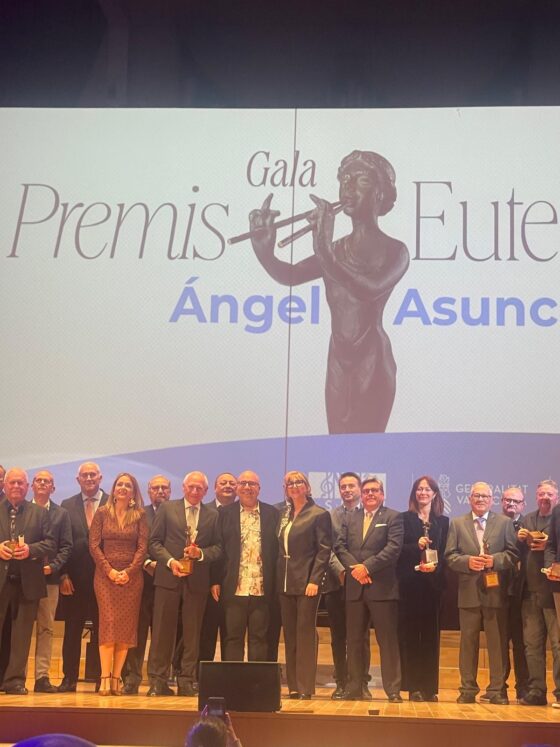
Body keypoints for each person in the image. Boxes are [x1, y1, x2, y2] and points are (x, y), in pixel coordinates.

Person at [249, 150, 409, 434]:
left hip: (372, 360)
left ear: (381, 193)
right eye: (344, 179)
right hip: (338, 361)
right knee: (336, 448)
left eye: (361, 180)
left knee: (368, 451)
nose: (348, 187)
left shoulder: (396, 251)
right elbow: (290, 275)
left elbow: (368, 290)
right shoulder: (335, 249)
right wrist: (265, 253)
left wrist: (323, 249)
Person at [147, 471, 221, 696]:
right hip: (168, 578)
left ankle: (186, 680)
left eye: (200, 488)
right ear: (184, 487)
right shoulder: (167, 508)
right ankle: (157, 681)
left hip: (197, 582)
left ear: (206, 491)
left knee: (192, 633)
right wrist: (170, 562)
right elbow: (154, 543)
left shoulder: (213, 515)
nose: (195, 491)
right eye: (191, 487)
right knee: (162, 631)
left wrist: (200, 554)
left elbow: (218, 548)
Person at [445, 481, 518, 704]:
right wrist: (467, 561)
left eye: (484, 496)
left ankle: (497, 690)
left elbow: (513, 554)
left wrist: (494, 560)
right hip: (468, 592)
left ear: (491, 500)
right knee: (468, 643)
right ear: (469, 499)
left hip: (495, 592)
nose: (480, 499)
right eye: (476, 496)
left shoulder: (504, 523)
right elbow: (450, 556)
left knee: (497, 643)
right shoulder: (457, 523)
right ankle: (467, 689)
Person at [336, 475, 404, 702]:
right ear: (361, 495)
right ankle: (354, 687)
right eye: (366, 491)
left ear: (382, 494)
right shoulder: (350, 517)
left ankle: (392, 690)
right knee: (354, 640)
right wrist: (356, 569)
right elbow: (340, 546)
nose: (370, 494)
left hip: (382, 588)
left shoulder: (393, 517)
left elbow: (393, 548)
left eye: (375, 490)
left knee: (387, 641)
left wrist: (367, 568)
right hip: (355, 587)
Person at [89, 472, 148, 695]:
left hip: (131, 579)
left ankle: (116, 678)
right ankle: (104, 677)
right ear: (114, 489)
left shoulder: (140, 515)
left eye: (128, 485)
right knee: (109, 624)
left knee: (125, 628)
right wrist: (110, 571)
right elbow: (94, 545)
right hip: (105, 577)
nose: (123, 488)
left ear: (133, 492)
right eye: (119, 484)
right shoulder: (102, 513)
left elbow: (142, 547)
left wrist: (129, 572)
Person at [0, 468, 55, 694]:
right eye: (12, 482)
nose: (16, 486)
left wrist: (30, 550)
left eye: (20, 483)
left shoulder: (40, 513)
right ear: (4, 485)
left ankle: (14, 681)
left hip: (27, 583)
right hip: (1, 581)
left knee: (21, 635)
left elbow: (51, 543)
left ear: (27, 487)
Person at [277, 470, 331, 699]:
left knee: (305, 634)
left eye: (298, 481)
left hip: (307, 583)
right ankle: (293, 686)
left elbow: (324, 550)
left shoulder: (319, 514)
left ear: (307, 487)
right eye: (289, 483)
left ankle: (306, 686)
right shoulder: (283, 513)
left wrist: (314, 580)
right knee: (290, 635)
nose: (294, 485)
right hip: (285, 582)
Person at [214, 471, 278, 661]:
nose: (247, 487)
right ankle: (233, 678)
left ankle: (256, 679)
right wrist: (215, 580)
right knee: (232, 638)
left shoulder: (272, 513)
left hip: (262, 588)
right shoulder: (224, 514)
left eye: (252, 484)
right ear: (237, 488)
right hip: (233, 587)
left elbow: (277, 552)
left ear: (259, 488)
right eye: (243, 483)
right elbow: (218, 549)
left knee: (260, 639)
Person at [57, 462, 108, 692]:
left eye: (93, 475)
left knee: (101, 630)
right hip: (74, 580)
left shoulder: (112, 503)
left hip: (104, 579)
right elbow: (61, 543)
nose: (89, 478)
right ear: (78, 480)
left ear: (100, 478)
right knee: (72, 630)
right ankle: (69, 678)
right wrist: (63, 575)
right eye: (84, 475)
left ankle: (100, 678)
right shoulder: (67, 505)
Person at [397, 476, 449, 702]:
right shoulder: (403, 519)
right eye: (419, 489)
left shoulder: (443, 522)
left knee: (430, 637)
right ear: (414, 493)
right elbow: (396, 549)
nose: (423, 493)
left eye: (427, 489)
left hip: (432, 586)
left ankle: (429, 687)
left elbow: (446, 553)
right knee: (410, 636)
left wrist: (435, 568)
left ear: (435, 494)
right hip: (409, 584)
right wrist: (414, 546)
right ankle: (413, 687)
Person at [122, 474, 172, 694]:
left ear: (170, 491)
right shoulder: (138, 514)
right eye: (156, 488)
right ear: (149, 491)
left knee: (162, 634)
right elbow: (131, 544)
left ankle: (158, 680)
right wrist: (147, 562)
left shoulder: (176, 513)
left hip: (168, 581)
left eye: (164, 488)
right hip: (140, 581)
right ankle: (132, 679)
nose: (160, 491)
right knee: (137, 631)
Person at [323, 472, 370, 700]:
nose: (347, 490)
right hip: (337, 582)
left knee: (361, 636)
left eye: (352, 486)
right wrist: (342, 571)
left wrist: (358, 571)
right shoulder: (330, 516)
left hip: (362, 583)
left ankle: (361, 682)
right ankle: (341, 682)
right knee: (338, 636)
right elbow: (327, 547)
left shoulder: (369, 514)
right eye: (343, 486)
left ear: (359, 489)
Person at [518, 479, 560, 707]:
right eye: (542, 494)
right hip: (530, 591)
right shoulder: (527, 519)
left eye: (549, 494)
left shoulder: (558, 518)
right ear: (536, 497)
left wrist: (547, 546)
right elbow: (518, 552)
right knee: (532, 645)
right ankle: (536, 691)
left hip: (553, 592)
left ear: (557, 498)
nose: (545, 498)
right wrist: (520, 540)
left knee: (557, 644)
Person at [30, 470, 73, 693]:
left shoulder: (61, 514)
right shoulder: (21, 510)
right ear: (32, 485)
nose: (42, 483)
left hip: (50, 579)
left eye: (47, 481)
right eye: (38, 480)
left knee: (46, 628)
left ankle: (41, 677)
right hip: (21, 579)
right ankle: (13, 675)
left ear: (53, 488)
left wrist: (53, 567)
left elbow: (66, 546)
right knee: (19, 628)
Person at [199, 473, 238, 664]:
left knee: (231, 632)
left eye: (232, 483)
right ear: (215, 488)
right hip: (206, 582)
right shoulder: (204, 511)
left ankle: (228, 673)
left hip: (235, 582)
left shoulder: (243, 512)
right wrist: (214, 580)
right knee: (206, 630)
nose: (228, 486)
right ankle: (201, 674)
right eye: (223, 483)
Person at [497, 486, 529, 703]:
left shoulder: (530, 525)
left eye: (516, 501)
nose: (511, 504)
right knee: (500, 642)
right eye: (507, 500)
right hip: (498, 591)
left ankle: (523, 687)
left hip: (523, 594)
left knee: (521, 642)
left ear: (523, 505)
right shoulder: (495, 525)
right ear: (501, 502)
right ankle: (499, 687)